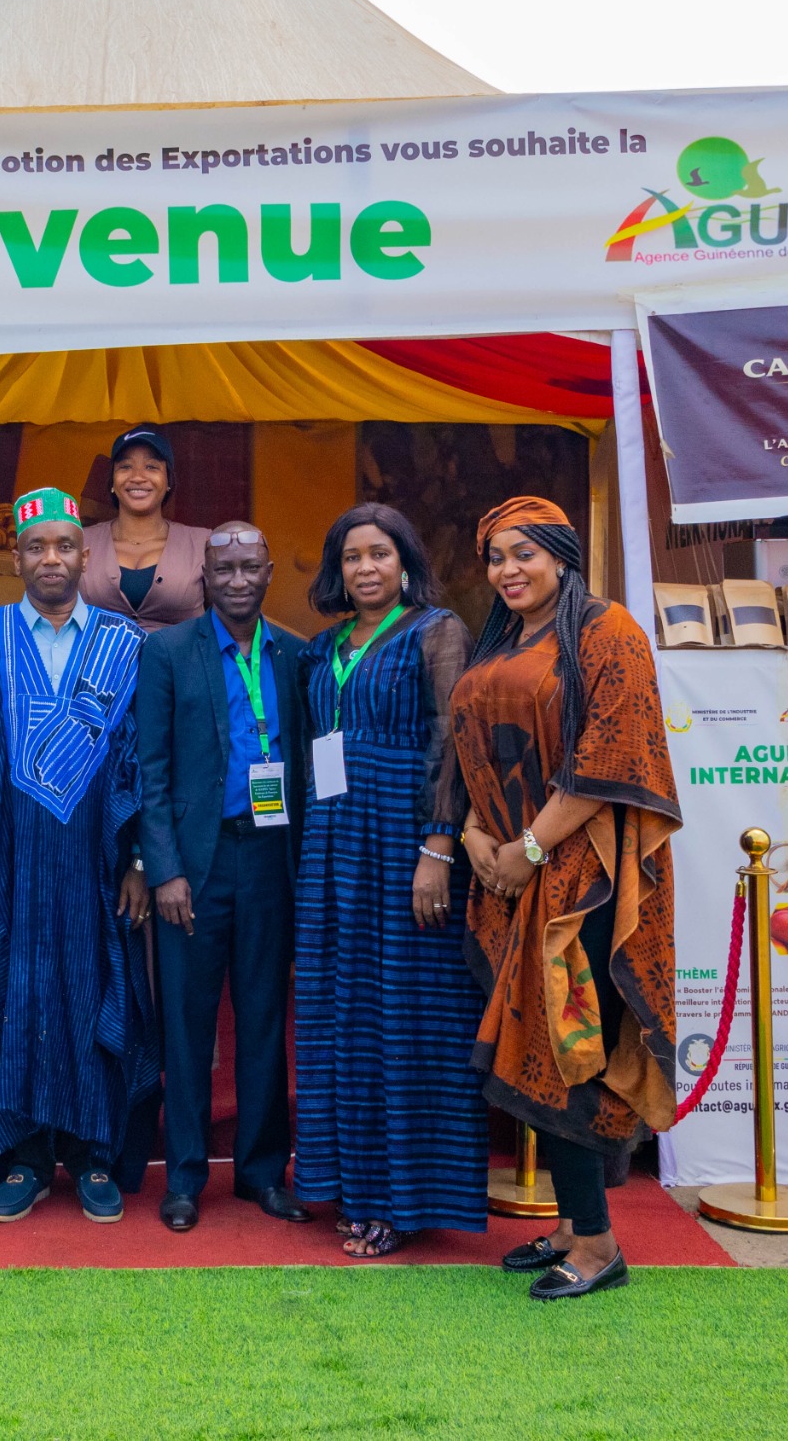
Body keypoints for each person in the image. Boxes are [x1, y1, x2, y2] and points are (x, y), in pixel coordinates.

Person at [453, 497, 681, 1302]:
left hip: (581, 883)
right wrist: (480, 837)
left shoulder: (607, 631)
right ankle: (569, 1225)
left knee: (567, 1049)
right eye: (495, 558)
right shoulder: (503, 640)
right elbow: (482, 752)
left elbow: (608, 755)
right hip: (515, 871)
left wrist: (531, 850)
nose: (508, 571)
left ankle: (598, 1246)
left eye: (524, 555)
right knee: (533, 1043)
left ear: (560, 555)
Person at [0, 488, 158, 1223]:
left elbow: (141, 761)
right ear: (18, 557)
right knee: (16, 997)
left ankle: (95, 1155)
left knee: (96, 990)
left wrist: (136, 864)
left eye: (65, 546)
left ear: (85, 555)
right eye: (38, 547)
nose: (52, 559)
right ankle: (25, 1159)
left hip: (98, 865)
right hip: (8, 861)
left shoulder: (124, 645)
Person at [291, 501, 484, 1259]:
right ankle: (352, 1186)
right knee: (342, 1015)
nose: (365, 569)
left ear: (405, 562)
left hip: (406, 850)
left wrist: (438, 849)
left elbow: (454, 743)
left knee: (405, 1020)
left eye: (378, 554)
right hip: (334, 848)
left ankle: (402, 1202)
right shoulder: (326, 645)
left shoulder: (437, 633)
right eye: (350, 557)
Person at [135, 521, 316, 1231]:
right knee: (185, 1024)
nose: (237, 580)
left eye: (249, 568)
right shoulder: (168, 652)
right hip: (193, 868)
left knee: (267, 1019)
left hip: (272, 860)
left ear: (270, 572)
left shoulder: (297, 656)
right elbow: (148, 771)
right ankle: (182, 1176)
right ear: (204, 577)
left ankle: (262, 1172)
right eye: (223, 569)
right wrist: (164, 870)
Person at [82, 427, 210, 634]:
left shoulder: (203, 543)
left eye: (151, 467)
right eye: (125, 467)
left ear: (168, 480)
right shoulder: (82, 541)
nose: (138, 477)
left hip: (180, 666)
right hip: (97, 665)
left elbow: (224, 618)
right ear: (112, 481)